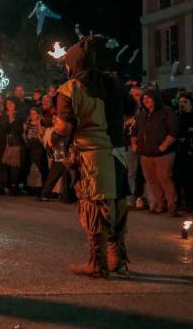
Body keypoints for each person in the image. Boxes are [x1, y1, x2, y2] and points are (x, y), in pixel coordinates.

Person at [54, 36, 129, 277]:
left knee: (94, 206)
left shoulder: (71, 88)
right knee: (116, 202)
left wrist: (51, 132)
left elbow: (64, 127)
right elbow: (129, 110)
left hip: (92, 154)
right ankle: (115, 257)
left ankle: (97, 263)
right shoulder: (112, 82)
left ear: (75, 62)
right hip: (118, 151)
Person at [133, 90, 179, 216]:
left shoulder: (166, 112)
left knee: (164, 178)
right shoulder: (142, 114)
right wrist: (135, 144)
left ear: (156, 99)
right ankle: (160, 204)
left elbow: (173, 131)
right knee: (151, 180)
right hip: (146, 154)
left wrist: (163, 147)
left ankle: (172, 205)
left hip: (163, 154)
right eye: (144, 99)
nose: (145, 101)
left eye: (149, 98)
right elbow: (136, 130)